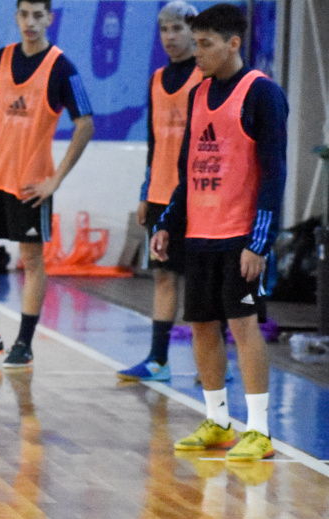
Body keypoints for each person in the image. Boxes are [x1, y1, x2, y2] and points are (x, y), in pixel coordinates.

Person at [150, 3, 287, 462]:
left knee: (243, 327)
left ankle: (260, 431)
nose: (197, 52)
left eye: (205, 44)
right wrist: (169, 222)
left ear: (233, 43)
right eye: (196, 42)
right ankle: (217, 422)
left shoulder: (262, 94)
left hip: (239, 237)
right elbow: (188, 166)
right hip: (200, 234)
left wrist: (259, 242)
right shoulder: (198, 93)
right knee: (202, 327)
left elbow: (274, 175)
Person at [0, 0, 93, 368]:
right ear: (16, 17)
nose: (30, 22)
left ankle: (24, 343)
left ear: (50, 19)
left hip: (31, 184)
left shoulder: (62, 67)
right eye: (24, 14)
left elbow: (85, 123)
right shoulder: (1, 59)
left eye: (38, 15)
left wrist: (54, 180)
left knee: (30, 259)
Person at [117, 1, 201, 383]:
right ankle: (158, 359)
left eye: (178, 29)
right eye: (165, 30)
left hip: (197, 197)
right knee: (163, 276)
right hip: (160, 195)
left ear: (193, 32)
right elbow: (153, 142)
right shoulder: (156, 80)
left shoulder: (205, 77)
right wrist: (144, 191)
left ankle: (209, 364)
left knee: (201, 280)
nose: (170, 37)